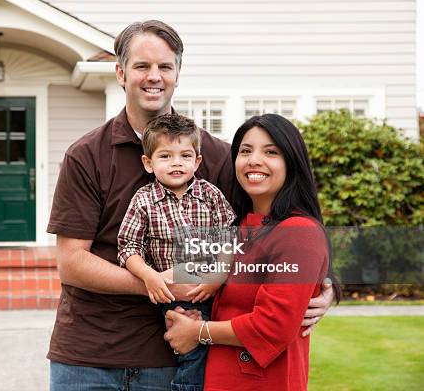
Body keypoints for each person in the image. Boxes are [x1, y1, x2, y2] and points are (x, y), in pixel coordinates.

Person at [47, 20, 334, 391]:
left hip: (174, 359)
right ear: (120, 73)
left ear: (178, 74)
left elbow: (273, 225)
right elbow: (71, 263)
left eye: (165, 66)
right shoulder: (87, 156)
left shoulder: (215, 157)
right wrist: (157, 283)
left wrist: (322, 287)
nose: (154, 77)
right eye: (141, 66)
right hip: (89, 356)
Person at [164, 114, 337, 390]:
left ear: (292, 163)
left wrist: (198, 332)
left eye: (271, 152)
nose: (254, 160)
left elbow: (272, 326)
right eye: (245, 151)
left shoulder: (299, 233)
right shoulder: (235, 225)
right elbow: (194, 282)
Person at [117, 113, 235, 391]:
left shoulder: (210, 195)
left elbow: (229, 239)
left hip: (214, 290)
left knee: (217, 354)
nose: (176, 163)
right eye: (166, 156)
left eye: (184, 156)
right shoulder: (144, 200)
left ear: (197, 161)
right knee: (191, 353)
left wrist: (216, 279)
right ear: (148, 163)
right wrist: (149, 277)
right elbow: (128, 247)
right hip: (171, 294)